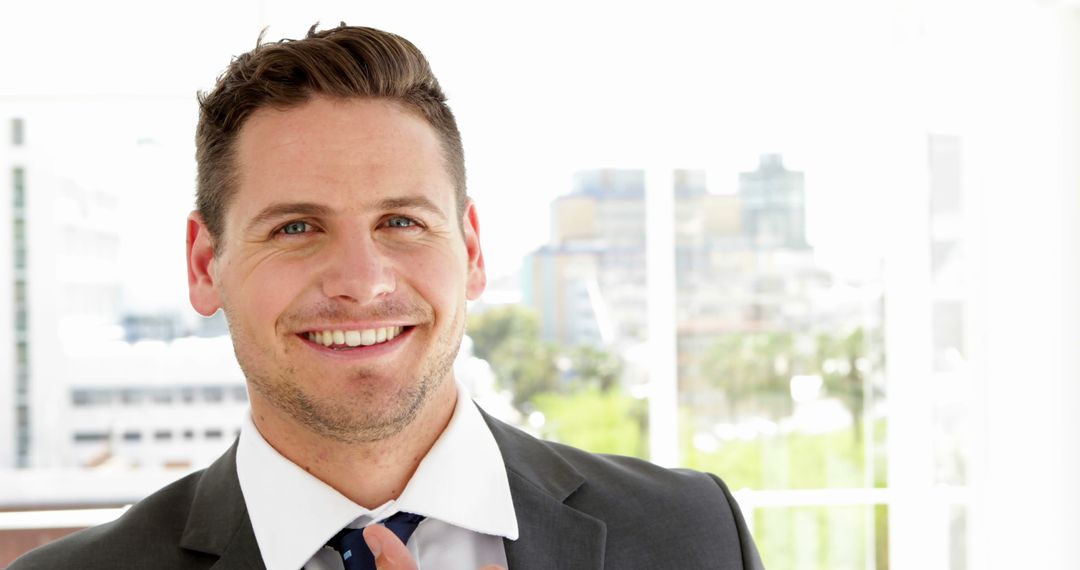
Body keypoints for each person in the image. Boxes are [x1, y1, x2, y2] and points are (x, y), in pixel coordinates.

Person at [10, 24, 764, 570]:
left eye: (401, 221)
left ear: (469, 251)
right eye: (297, 227)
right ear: (206, 264)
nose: (362, 280)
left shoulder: (692, 536)